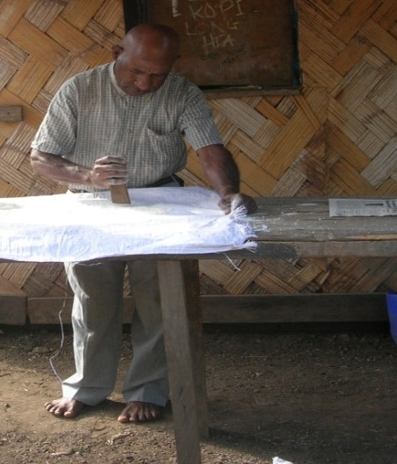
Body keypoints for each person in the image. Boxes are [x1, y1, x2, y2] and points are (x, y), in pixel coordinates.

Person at [29, 22, 258, 423]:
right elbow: (41, 158)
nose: (146, 82)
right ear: (117, 52)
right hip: (91, 205)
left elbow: (209, 149)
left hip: (161, 204)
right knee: (92, 303)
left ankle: (148, 390)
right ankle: (87, 387)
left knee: (157, 303)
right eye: (137, 70)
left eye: (157, 75)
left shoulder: (182, 92)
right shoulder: (78, 90)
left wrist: (227, 192)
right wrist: (87, 176)